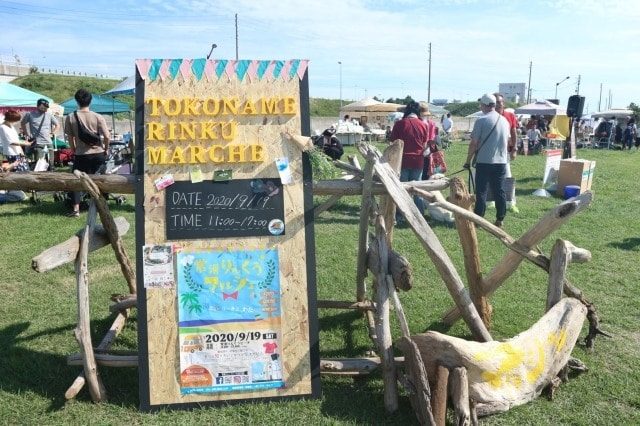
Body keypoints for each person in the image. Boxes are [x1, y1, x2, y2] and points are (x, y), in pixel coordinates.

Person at [463, 93, 510, 228]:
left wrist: (468, 160)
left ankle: (479, 219)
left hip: (484, 161)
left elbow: (474, 143)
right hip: (501, 161)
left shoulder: (481, 121)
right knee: (499, 190)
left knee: (481, 191)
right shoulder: (504, 121)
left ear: (483, 105)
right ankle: (500, 218)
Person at [64, 89, 111, 217]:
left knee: (76, 179)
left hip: (81, 154)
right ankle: (102, 206)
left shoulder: (70, 117)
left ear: (76, 101)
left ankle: (76, 209)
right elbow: (107, 136)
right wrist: (106, 149)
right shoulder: (98, 116)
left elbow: (70, 138)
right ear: (90, 101)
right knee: (101, 179)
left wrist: (74, 150)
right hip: (98, 153)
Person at [390, 101, 429, 219]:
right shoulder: (423, 125)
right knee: (417, 188)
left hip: (402, 160)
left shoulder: (399, 124)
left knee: (401, 188)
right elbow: (425, 145)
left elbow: (392, 143)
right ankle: (419, 215)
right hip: (418, 160)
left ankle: (401, 214)